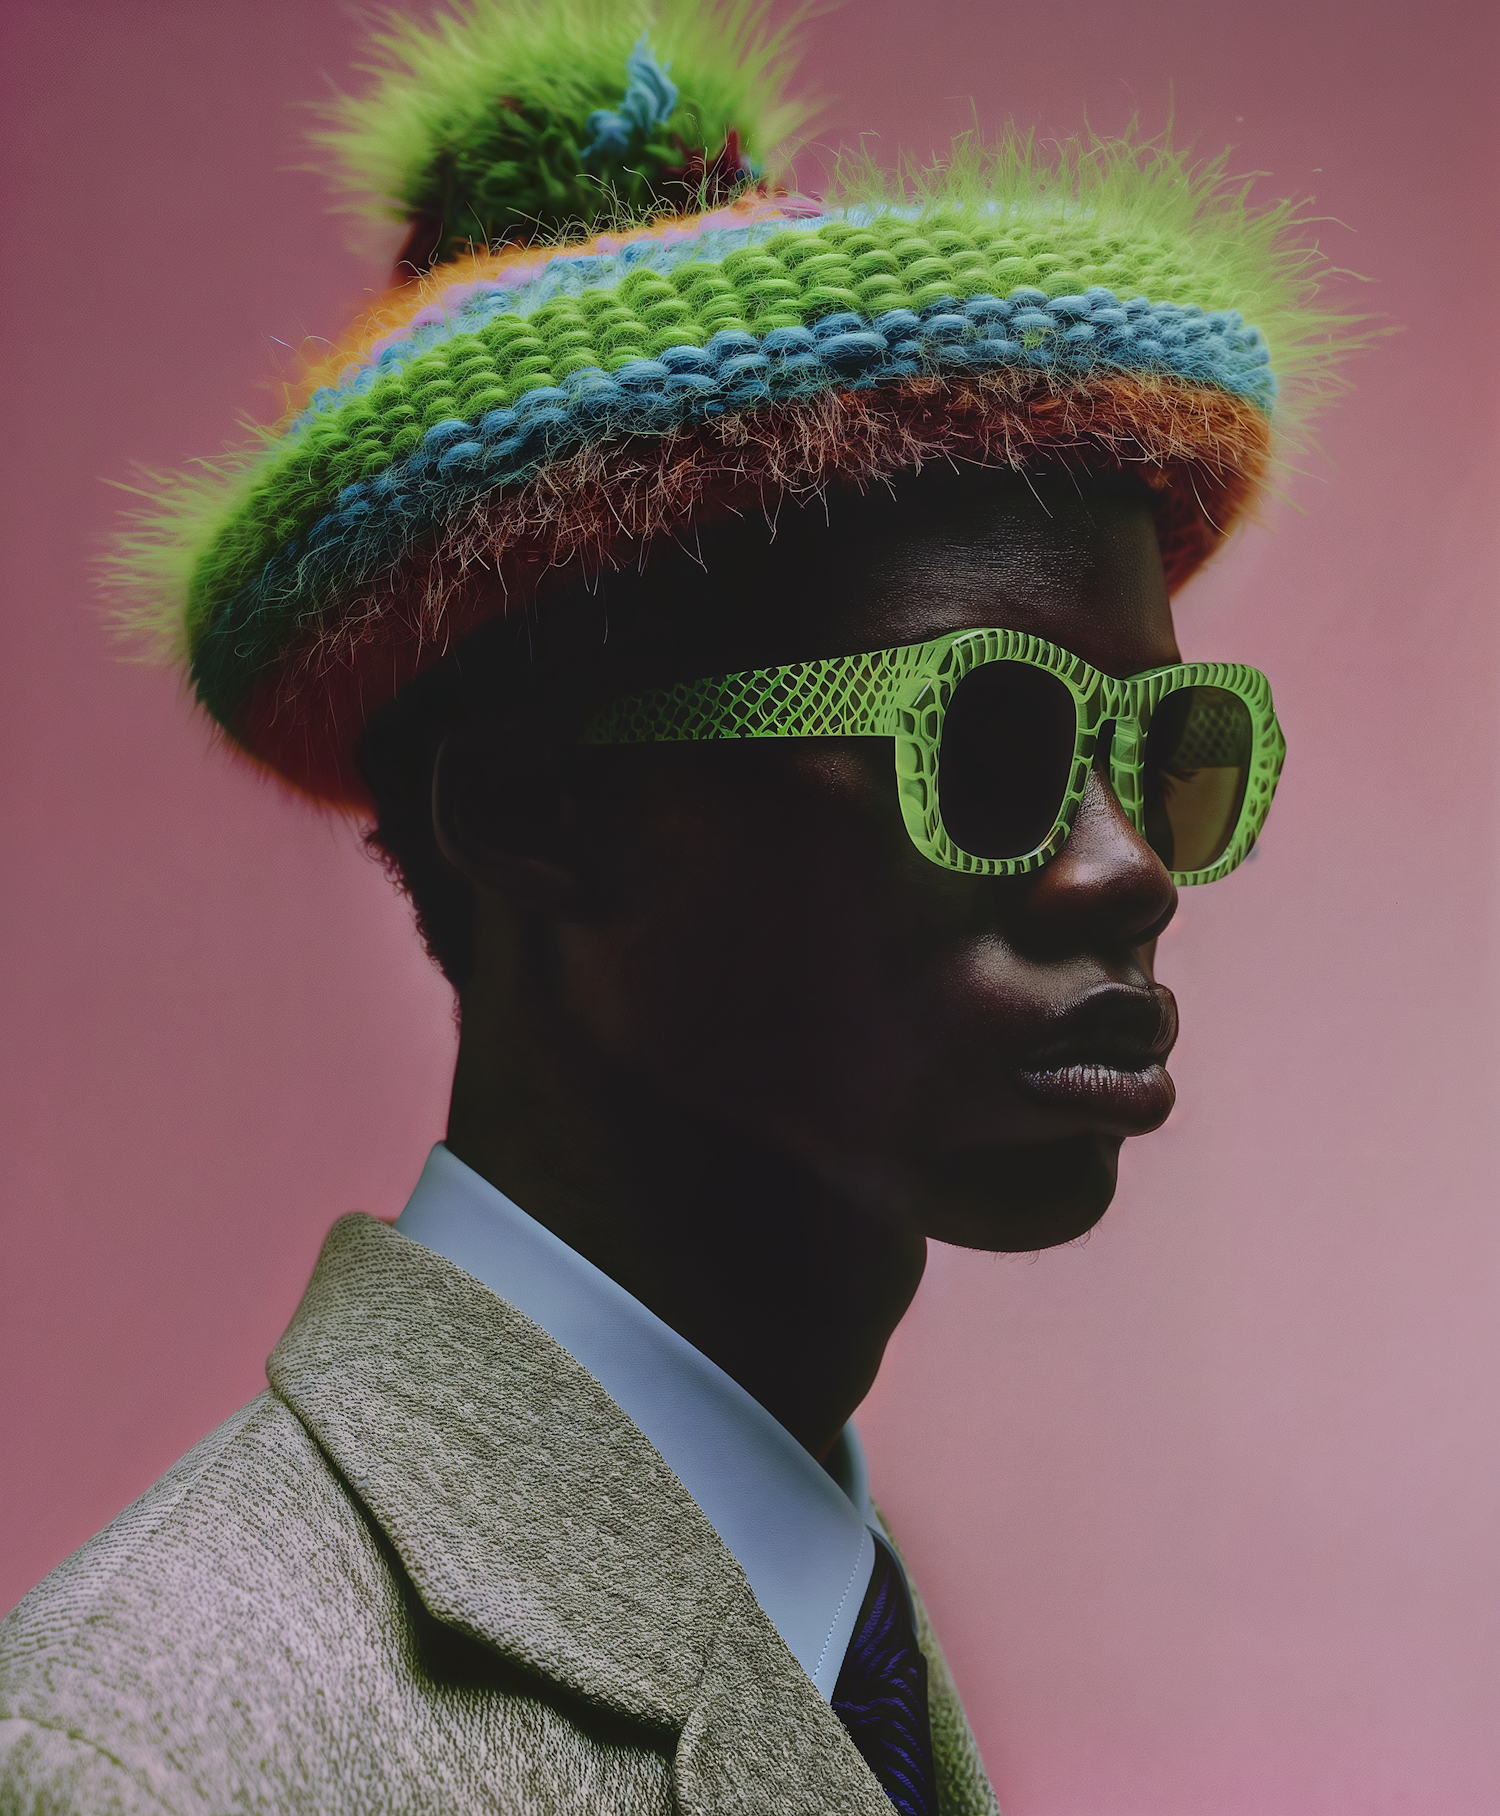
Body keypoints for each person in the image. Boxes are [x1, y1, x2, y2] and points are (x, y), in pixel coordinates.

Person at [0, 3, 1343, 1811]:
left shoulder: (824, 1618)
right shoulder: (144, 1758)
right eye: (994, 738)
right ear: (543, 811)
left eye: (1170, 744)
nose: (1130, 868)